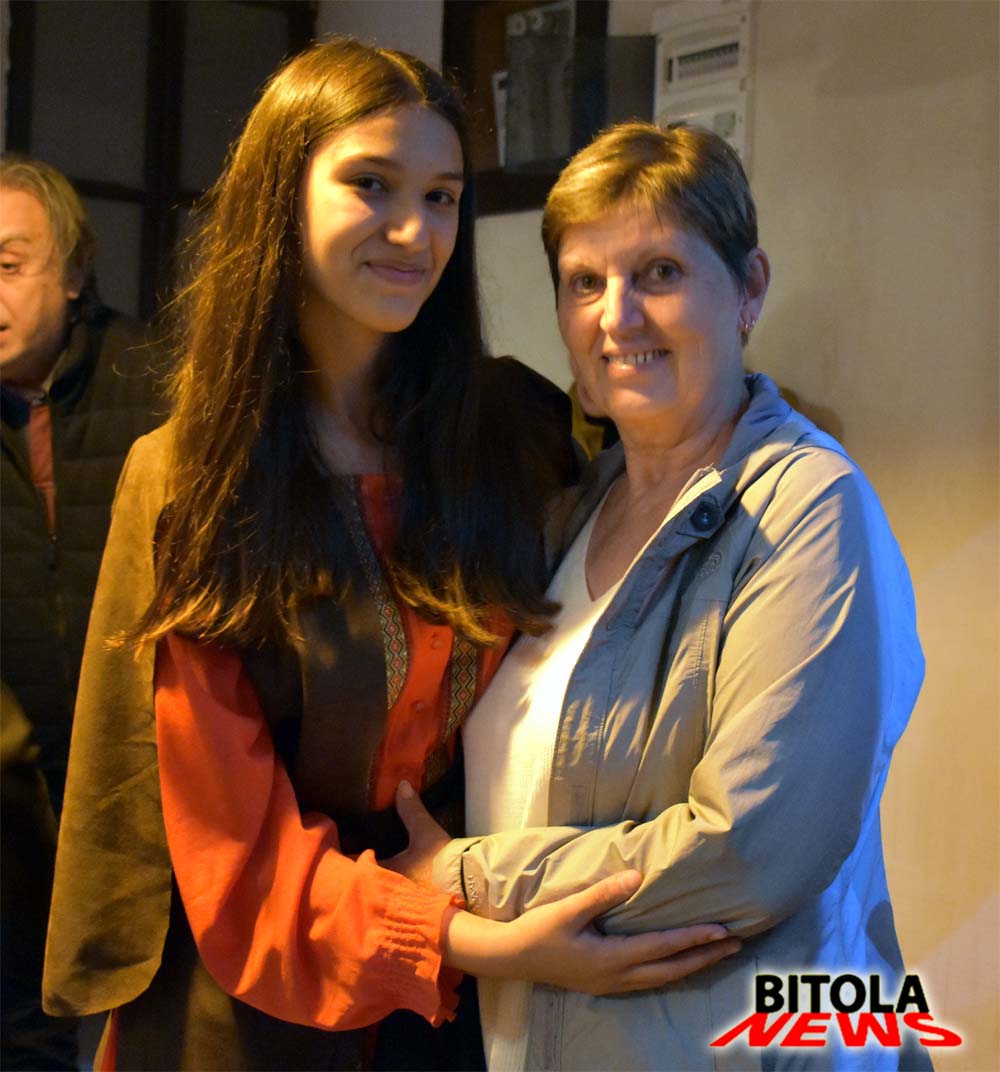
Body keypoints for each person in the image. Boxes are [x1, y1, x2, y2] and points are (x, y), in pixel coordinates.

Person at [41, 43, 741, 1072]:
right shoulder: (196, 474)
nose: (416, 231)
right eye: (371, 184)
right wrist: (473, 942)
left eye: (442, 196)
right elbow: (231, 836)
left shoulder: (513, 431)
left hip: (475, 985)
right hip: (256, 998)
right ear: (282, 196)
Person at [395, 122, 930, 1071]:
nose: (617, 317)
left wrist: (461, 877)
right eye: (584, 283)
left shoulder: (810, 508)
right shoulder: (567, 511)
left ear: (749, 287)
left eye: (659, 273)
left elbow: (748, 849)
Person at [1, 156, 164, 1070]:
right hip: (10, 793)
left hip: (138, 769)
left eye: (8, 264)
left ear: (70, 272)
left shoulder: (156, 380)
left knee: (142, 1015)